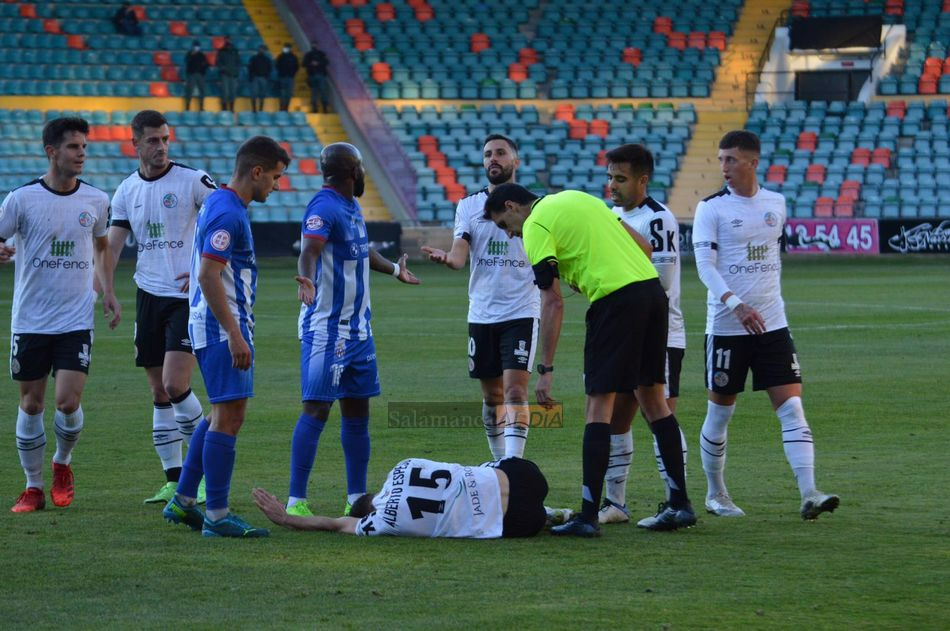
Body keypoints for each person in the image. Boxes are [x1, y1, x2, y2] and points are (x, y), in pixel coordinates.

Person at [483, 184, 695, 537]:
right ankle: (680, 503)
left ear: (511, 206)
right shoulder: (577, 196)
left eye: (504, 223)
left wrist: (545, 369)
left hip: (615, 304)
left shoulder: (535, 226)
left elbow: (552, 302)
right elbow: (644, 247)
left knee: (598, 409)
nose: (509, 232)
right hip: (652, 295)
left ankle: (587, 516)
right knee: (655, 402)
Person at [692, 130, 839, 521]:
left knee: (792, 407)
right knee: (721, 412)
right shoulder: (711, 209)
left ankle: (809, 492)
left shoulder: (777, 203)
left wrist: (760, 305)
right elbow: (705, 267)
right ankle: (715, 492)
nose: (724, 167)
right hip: (727, 326)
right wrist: (736, 304)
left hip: (773, 325)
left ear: (753, 162)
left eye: (732, 160)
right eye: (721, 159)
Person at [162, 136, 290, 537]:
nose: (276, 185)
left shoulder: (219, 203)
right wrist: (235, 334)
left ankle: (184, 501)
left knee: (220, 413)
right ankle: (216, 514)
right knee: (230, 417)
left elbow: (205, 267)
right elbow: (207, 274)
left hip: (212, 323)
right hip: (221, 328)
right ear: (256, 171)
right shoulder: (229, 212)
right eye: (274, 176)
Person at [286, 142, 420, 519]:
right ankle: (296, 502)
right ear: (351, 172)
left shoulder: (352, 207)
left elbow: (361, 252)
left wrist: (395, 270)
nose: (364, 173)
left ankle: (356, 498)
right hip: (327, 330)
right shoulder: (324, 206)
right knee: (316, 410)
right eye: (361, 167)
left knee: (358, 412)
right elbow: (310, 249)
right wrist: (307, 280)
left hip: (360, 331)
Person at [0, 117, 120, 513]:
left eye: (84, 146)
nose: (81, 153)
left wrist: (107, 291)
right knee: (32, 404)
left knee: (67, 402)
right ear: (52, 151)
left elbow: (102, 247)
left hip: (74, 320)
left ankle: (62, 464)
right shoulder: (21, 199)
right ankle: (33, 487)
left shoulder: (97, 200)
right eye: (73, 147)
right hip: (31, 320)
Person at [103, 110, 216, 505]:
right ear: (135, 144)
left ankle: (201, 475)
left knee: (175, 383)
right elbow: (113, 244)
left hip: (187, 298)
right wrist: (107, 289)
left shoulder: (192, 180)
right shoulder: (126, 190)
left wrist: (204, 266)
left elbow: (227, 219)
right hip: (147, 295)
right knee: (158, 391)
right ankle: (173, 479)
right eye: (152, 140)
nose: (161, 147)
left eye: (165, 139)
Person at [420, 135, 540, 462]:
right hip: (482, 313)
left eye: (500, 153)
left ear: (515, 161)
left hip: (521, 310)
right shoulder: (469, 206)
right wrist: (447, 258)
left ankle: (515, 465)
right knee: (492, 396)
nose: (493, 159)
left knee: (515, 391)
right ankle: (500, 462)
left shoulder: (535, 206)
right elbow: (460, 257)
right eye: (487, 154)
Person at [598, 143, 689, 525]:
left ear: (642, 180)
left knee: (659, 415)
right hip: (623, 333)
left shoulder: (658, 219)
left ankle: (675, 499)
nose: (612, 186)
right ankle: (616, 503)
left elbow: (663, 280)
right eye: (609, 177)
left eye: (620, 178)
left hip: (659, 333)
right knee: (618, 419)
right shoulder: (609, 214)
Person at [254, 457, 549, 539]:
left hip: (517, 521)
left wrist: (285, 518)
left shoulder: (379, 524)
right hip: (524, 475)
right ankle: (554, 510)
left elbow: (331, 524)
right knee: (483, 469)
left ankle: (550, 513)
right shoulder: (403, 466)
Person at [302, 44, 330, 114]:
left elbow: (326, 62)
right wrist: (311, 63)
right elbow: (303, 64)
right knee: (317, 92)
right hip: (314, 76)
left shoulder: (319, 54)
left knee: (318, 91)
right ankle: (318, 107)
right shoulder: (310, 55)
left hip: (317, 75)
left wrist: (317, 63)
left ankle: (322, 107)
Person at [216, 37, 241, 113]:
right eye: (227, 40)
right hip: (224, 75)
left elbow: (238, 62)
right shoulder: (221, 51)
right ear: (225, 41)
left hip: (233, 75)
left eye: (229, 39)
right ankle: (224, 108)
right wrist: (223, 69)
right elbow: (218, 62)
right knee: (225, 92)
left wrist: (236, 71)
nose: (228, 41)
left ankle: (232, 108)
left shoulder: (235, 51)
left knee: (233, 92)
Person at [184, 41, 209, 112]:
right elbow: (187, 62)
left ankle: (201, 107)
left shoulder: (202, 55)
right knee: (189, 90)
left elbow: (207, 65)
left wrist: (203, 70)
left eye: (197, 46)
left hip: (200, 75)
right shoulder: (189, 54)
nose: (196, 48)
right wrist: (192, 55)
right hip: (191, 74)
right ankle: (187, 106)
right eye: (195, 46)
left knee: (202, 91)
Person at [248, 45, 272, 114]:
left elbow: (269, 68)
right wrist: (251, 77)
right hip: (255, 78)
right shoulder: (253, 58)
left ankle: (261, 110)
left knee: (262, 94)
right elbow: (250, 68)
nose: (261, 50)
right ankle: (254, 109)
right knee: (254, 94)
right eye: (260, 49)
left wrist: (266, 76)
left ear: (264, 50)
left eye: (262, 49)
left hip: (263, 78)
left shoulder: (267, 59)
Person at [275, 43, 299, 112]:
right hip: (282, 77)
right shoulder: (280, 56)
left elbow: (296, 67)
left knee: (288, 94)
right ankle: (281, 107)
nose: (285, 48)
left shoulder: (294, 57)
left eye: (287, 47)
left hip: (290, 77)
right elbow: (277, 65)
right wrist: (281, 73)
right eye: (285, 47)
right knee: (282, 93)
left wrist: (292, 74)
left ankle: (286, 107)